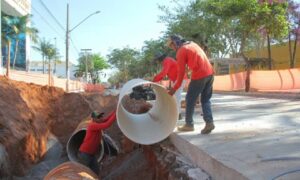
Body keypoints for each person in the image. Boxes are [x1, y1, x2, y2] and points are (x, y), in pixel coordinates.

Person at [166, 35, 215, 134]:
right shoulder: (193, 44)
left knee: (190, 99)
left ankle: (189, 124)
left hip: (199, 75)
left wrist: (174, 89)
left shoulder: (181, 51)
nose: (172, 48)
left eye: (171, 45)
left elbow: (180, 73)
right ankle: (209, 122)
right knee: (205, 100)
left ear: (175, 42)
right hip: (210, 73)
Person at [78, 110, 117, 174]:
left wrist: (115, 111)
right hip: (84, 154)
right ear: (94, 119)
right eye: (99, 117)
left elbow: (107, 119)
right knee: (83, 173)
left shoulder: (98, 122)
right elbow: (107, 124)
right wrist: (116, 114)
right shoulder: (92, 125)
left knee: (95, 171)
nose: (101, 118)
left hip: (91, 154)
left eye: (101, 116)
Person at [152, 53, 187, 119]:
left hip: (180, 79)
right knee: (174, 96)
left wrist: (155, 79)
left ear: (159, 59)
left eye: (156, 60)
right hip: (177, 79)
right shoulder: (167, 61)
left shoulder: (167, 61)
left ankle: (178, 115)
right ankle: (175, 113)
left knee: (176, 97)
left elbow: (163, 73)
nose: (157, 62)